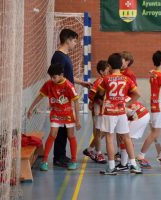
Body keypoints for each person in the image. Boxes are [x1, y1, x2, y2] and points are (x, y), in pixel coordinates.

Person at [27, 64, 81, 171]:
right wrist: (31, 108)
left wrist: (78, 119)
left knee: (71, 136)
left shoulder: (69, 86)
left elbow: (76, 101)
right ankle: (45, 161)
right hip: (55, 114)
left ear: (61, 75)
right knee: (52, 134)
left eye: (54, 77)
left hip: (67, 115)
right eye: (51, 77)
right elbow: (40, 96)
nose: (52, 79)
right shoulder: (49, 84)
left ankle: (74, 161)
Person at [51, 28, 90, 167]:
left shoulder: (65, 56)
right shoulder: (59, 56)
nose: (75, 43)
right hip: (62, 97)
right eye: (74, 40)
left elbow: (68, 77)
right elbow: (57, 78)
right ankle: (58, 157)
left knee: (66, 126)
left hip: (68, 94)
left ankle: (61, 155)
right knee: (62, 127)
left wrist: (82, 83)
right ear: (67, 40)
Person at [97, 53, 142, 175]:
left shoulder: (105, 79)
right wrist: (126, 104)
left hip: (109, 112)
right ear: (121, 65)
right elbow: (137, 94)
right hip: (121, 112)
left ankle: (111, 167)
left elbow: (100, 94)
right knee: (126, 137)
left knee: (109, 138)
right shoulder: (126, 79)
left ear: (110, 65)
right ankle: (133, 165)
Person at [83, 60, 109, 164]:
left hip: (105, 111)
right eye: (107, 70)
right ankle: (98, 153)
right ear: (102, 71)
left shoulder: (107, 80)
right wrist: (93, 102)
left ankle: (89, 150)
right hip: (98, 111)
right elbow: (92, 94)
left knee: (105, 132)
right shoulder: (99, 81)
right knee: (98, 132)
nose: (109, 71)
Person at [115, 97, 150, 171]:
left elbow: (126, 113)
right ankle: (125, 163)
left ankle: (128, 164)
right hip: (143, 114)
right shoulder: (121, 95)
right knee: (126, 139)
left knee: (126, 139)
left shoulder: (115, 100)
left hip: (139, 117)